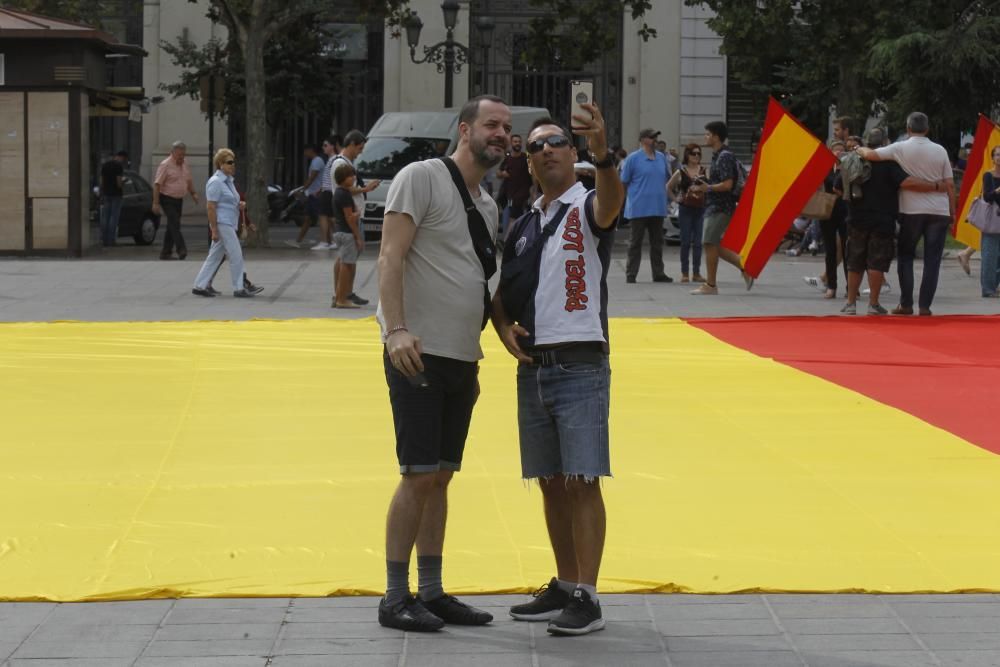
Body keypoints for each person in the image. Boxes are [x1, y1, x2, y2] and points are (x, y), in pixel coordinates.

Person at [376, 94, 511, 633]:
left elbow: (485, 279)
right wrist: (397, 330)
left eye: (506, 128)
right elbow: (390, 254)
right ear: (464, 129)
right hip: (417, 353)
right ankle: (394, 596)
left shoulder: (489, 204)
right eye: (491, 125)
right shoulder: (421, 176)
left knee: (442, 477)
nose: (501, 134)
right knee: (417, 475)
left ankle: (430, 591)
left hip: (462, 358)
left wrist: (503, 329)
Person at [493, 102, 623, 636]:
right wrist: (502, 327)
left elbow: (612, 202)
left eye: (556, 142)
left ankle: (588, 597)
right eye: (535, 146)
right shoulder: (524, 223)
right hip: (535, 366)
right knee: (549, 481)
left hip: (580, 362)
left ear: (574, 154)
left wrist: (605, 156)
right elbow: (500, 291)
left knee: (582, 479)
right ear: (526, 162)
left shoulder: (589, 203)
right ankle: (567, 584)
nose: (546, 149)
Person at [858, 111, 955, 316]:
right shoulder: (940, 150)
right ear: (927, 129)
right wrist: (952, 212)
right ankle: (925, 306)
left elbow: (871, 155)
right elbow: (950, 185)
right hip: (939, 211)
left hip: (911, 210)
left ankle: (906, 304)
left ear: (908, 128)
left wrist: (858, 148)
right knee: (932, 260)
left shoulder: (899, 148)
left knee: (906, 257)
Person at [841, 128, 939, 315]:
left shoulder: (852, 160)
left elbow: (839, 188)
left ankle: (851, 303)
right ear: (885, 143)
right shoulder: (890, 165)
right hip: (883, 220)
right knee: (876, 262)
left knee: (855, 262)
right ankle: (873, 304)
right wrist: (935, 185)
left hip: (856, 218)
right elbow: (907, 183)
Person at [689, 121, 754, 295]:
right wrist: (703, 187)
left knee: (709, 242)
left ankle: (711, 285)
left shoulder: (724, 156)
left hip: (721, 206)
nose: (705, 137)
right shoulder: (717, 155)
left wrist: (707, 188)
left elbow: (727, 184)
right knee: (715, 244)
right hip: (714, 205)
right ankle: (745, 267)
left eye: (708, 134)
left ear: (716, 136)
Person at [192, 149, 256, 298]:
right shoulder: (215, 182)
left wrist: (239, 204)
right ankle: (239, 288)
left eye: (233, 162)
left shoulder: (228, 181)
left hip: (228, 223)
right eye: (229, 162)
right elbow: (210, 207)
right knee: (236, 254)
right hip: (222, 223)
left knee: (214, 256)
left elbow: (228, 201)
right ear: (220, 164)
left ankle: (199, 285)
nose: (233, 165)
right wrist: (214, 229)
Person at [329, 130, 380, 306]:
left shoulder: (345, 164)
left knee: (346, 258)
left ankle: (344, 293)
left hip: (349, 220)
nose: (360, 151)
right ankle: (341, 295)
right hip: (348, 222)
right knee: (346, 260)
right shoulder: (340, 165)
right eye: (359, 148)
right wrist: (364, 190)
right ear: (351, 144)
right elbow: (346, 192)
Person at [620, 128, 672, 283]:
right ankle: (631, 273)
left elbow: (667, 179)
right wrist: (623, 202)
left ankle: (658, 273)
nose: (655, 140)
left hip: (658, 207)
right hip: (638, 208)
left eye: (656, 137)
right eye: (652, 137)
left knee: (657, 243)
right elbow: (624, 182)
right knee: (635, 242)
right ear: (643, 140)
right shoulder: (633, 159)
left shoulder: (662, 157)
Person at [667, 143, 707, 283]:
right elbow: (668, 187)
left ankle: (696, 273)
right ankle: (685, 273)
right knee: (685, 242)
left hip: (700, 209)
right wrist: (675, 199)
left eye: (698, 154)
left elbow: (709, 188)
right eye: (693, 153)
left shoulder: (704, 171)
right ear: (687, 155)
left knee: (698, 243)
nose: (696, 156)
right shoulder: (681, 171)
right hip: (686, 209)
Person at [153, 141, 199, 260]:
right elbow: (157, 185)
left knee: (172, 225)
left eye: (183, 155)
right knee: (175, 222)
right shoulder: (165, 165)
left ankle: (165, 252)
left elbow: (188, 180)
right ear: (172, 153)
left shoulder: (185, 164)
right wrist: (155, 203)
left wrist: (193, 193)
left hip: (179, 199)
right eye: (179, 155)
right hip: (166, 198)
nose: (181, 158)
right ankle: (181, 249)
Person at [331, 162, 365, 308]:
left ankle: (338, 296)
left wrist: (367, 188)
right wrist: (358, 237)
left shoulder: (340, 192)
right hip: (347, 233)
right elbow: (350, 218)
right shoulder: (344, 195)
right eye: (350, 176)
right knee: (347, 265)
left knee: (342, 261)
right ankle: (341, 299)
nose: (353, 178)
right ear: (343, 178)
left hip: (339, 232)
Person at [287, 144, 325, 248]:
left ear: (310, 150)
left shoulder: (317, 161)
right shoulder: (315, 161)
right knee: (308, 218)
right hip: (313, 194)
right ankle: (299, 240)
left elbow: (312, 178)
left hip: (316, 194)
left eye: (305, 151)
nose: (304, 153)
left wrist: (302, 190)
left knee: (323, 218)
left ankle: (327, 240)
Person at [496, 134, 532, 232]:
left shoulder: (526, 158)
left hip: (524, 197)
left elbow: (534, 174)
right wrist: (503, 173)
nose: (518, 144)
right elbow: (498, 173)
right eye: (515, 142)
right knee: (509, 221)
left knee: (518, 222)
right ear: (511, 143)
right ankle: (507, 242)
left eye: (519, 142)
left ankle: (507, 242)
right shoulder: (507, 159)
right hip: (510, 196)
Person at [313, 134, 341, 250]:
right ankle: (334, 240)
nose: (323, 147)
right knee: (330, 217)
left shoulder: (334, 159)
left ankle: (325, 241)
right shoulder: (331, 159)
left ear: (332, 146)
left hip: (329, 192)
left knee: (324, 216)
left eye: (326, 145)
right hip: (327, 190)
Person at [978, 146, 1000, 297]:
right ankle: (988, 289)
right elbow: (987, 197)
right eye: (997, 155)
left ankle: (995, 285)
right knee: (989, 255)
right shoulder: (988, 175)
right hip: (992, 219)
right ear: (993, 158)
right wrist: (998, 191)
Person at [99, 151, 127, 247]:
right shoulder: (118, 166)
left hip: (106, 194)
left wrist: (103, 191)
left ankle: (104, 239)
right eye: (124, 159)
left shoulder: (105, 165)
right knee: (113, 218)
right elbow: (119, 183)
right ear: (122, 157)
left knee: (105, 217)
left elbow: (101, 181)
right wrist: (123, 183)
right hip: (116, 194)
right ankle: (111, 240)